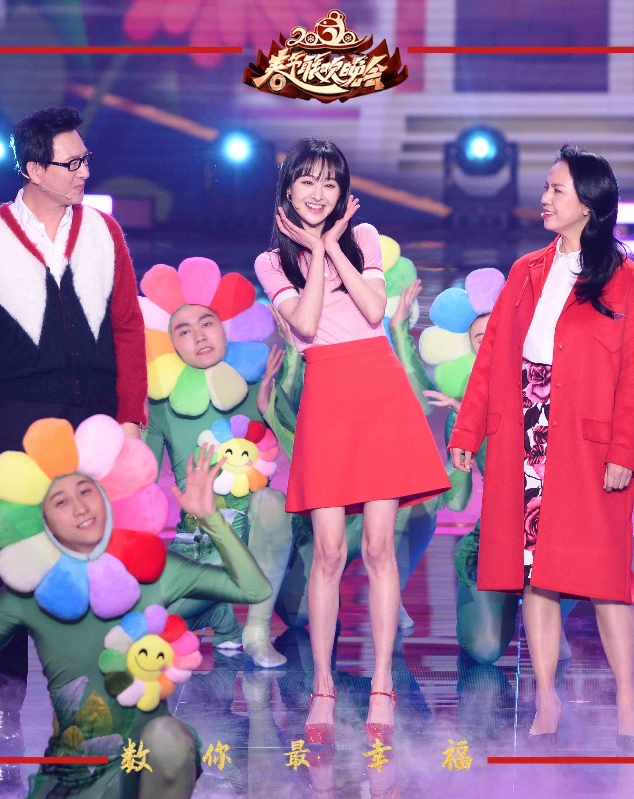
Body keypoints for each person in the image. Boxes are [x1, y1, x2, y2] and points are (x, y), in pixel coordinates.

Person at [0, 106, 148, 748]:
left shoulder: (105, 231)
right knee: (17, 557)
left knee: (103, 555)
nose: (83, 172)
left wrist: (131, 416)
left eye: (85, 159)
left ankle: (102, 695)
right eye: (70, 162)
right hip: (25, 419)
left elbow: (128, 328)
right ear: (33, 169)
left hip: (99, 418)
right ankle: (1, 702)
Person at [0, 418, 270, 799]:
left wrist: (211, 519)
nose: (80, 507)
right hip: (75, 778)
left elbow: (254, 587)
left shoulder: (153, 569)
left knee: (170, 739)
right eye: (61, 502)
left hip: (146, 765)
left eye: (86, 491)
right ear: (43, 522)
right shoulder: (29, 593)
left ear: (106, 495)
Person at [449, 145, 634, 749]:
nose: (545, 198)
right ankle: (545, 694)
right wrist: (467, 431)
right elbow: (492, 358)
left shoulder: (626, 281)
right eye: (546, 188)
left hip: (590, 445)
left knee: (606, 576)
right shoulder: (525, 270)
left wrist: (623, 453)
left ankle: (627, 698)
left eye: (557, 189)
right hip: (525, 432)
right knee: (534, 574)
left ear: (589, 203)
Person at [253, 139, 450, 745]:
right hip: (328, 399)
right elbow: (307, 324)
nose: (319, 193)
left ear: (342, 193)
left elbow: (372, 309)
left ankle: (383, 683)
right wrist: (313, 252)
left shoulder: (362, 238)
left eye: (330, 183)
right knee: (330, 551)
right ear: (288, 188)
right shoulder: (271, 262)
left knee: (380, 548)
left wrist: (333, 243)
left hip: (379, 390)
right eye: (308, 181)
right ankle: (323, 686)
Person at [139, 258, 295, 668]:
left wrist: (270, 406)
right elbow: (139, 482)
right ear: (170, 344)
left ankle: (257, 630)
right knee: (144, 625)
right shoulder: (160, 404)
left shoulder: (258, 383)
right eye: (183, 330)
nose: (198, 336)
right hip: (200, 546)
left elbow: (304, 456)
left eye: (207, 323)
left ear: (226, 328)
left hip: (263, 537)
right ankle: (217, 614)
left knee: (271, 503)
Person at [417, 273, 579, 665]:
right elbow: (457, 501)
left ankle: (551, 619)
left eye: (500, 331)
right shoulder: (463, 414)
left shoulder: (551, 387)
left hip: (552, 533)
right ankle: (506, 609)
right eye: (480, 337)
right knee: (484, 650)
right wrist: (466, 426)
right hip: (498, 537)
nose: (493, 341)